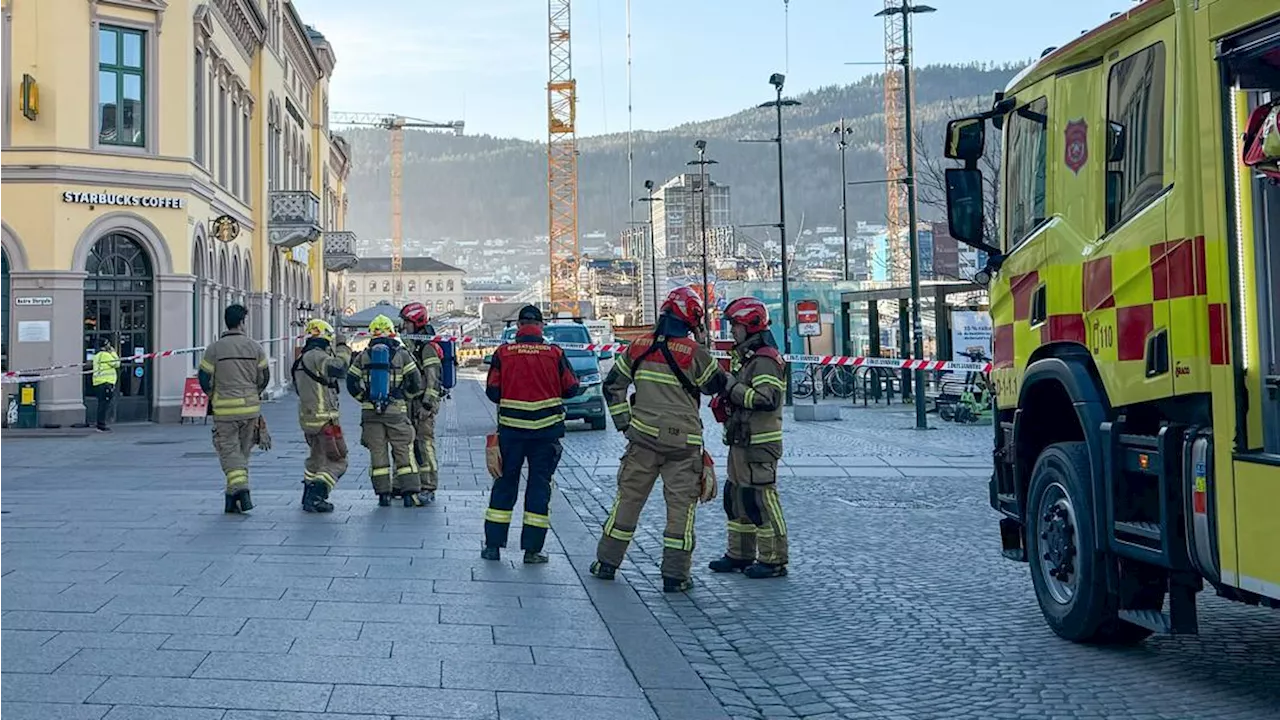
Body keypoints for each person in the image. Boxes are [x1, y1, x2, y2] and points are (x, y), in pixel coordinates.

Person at [590, 287, 730, 593]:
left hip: (642, 441)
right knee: (681, 509)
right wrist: (704, 344)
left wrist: (625, 424)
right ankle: (675, 576)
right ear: (692, 319)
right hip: (683, 445)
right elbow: (715, 386)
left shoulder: (638, 346)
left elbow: (612, 386)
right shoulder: (694, 353)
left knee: (628, 501)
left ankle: (606, 563)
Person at [482, 304, 582, 563]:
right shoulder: (554, 353)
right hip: (545, 434)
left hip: (512, 433)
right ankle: (532, 550)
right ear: (540, 325)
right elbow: (571, 388)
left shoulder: (503, 353)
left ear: (518, 326)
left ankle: (493, 547)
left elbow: (492, 391)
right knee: (539, 488)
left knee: (504, 485)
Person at [708, 296, 789, 579]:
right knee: (736, 498)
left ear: (750, 326)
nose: (731, 331)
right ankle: (739, 554)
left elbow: (767, 399)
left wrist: (732, 389)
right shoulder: (749, 357)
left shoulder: (765, 360)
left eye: (735, 325)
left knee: (760, 500)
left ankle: (774, 559)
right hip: (741, 441)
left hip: (759, 444)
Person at [198, 304, 270, 514]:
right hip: (250, 410)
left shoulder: (214, 349)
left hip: (224, 410)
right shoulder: (255, 347)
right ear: (242, 323)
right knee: (242, 453)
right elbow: (265, 377)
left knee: (229, 451)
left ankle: (241, 489)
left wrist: (213, 394)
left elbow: (203, 377)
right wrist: (253, 392)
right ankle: (232, 499)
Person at [346, 314, 423, 507]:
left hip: (370, 414)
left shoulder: (364, 355)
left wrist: (363, 398)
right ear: (392, 332)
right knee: (403, 451)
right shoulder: (402, 354)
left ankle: (383, 495)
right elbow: (416, 382)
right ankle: (409, 494)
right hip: (396, 412)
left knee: (378, 454)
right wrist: (404, 396)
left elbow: (351, 382)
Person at [293, 318, 352, 513]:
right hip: (324, 418)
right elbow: (339, 368)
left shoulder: (300, 360)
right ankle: (317, 495)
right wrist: (343, 347)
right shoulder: (317, 356)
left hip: (308, 419)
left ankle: (308, 496)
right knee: (338, 460)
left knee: (316, 460)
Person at [399, 302, 443, 505]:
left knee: (424, 444)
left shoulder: (427, 347)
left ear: (417, 322)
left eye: (407, 323)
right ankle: (407, 484)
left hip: (423, 405)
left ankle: (428, 486)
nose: (403, 327)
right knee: (409, 443)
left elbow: (433, 379)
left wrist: (427, 405)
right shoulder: (412, 344)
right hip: (410, 403)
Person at [90, 337, 121, 432]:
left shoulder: (96, 356)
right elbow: (117, 364)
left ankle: (100, 423)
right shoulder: (106, 355)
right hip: (106, 383)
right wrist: (113, 352)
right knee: (104, 405)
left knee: (101, 404)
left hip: (98, 382)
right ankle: (101, 425)